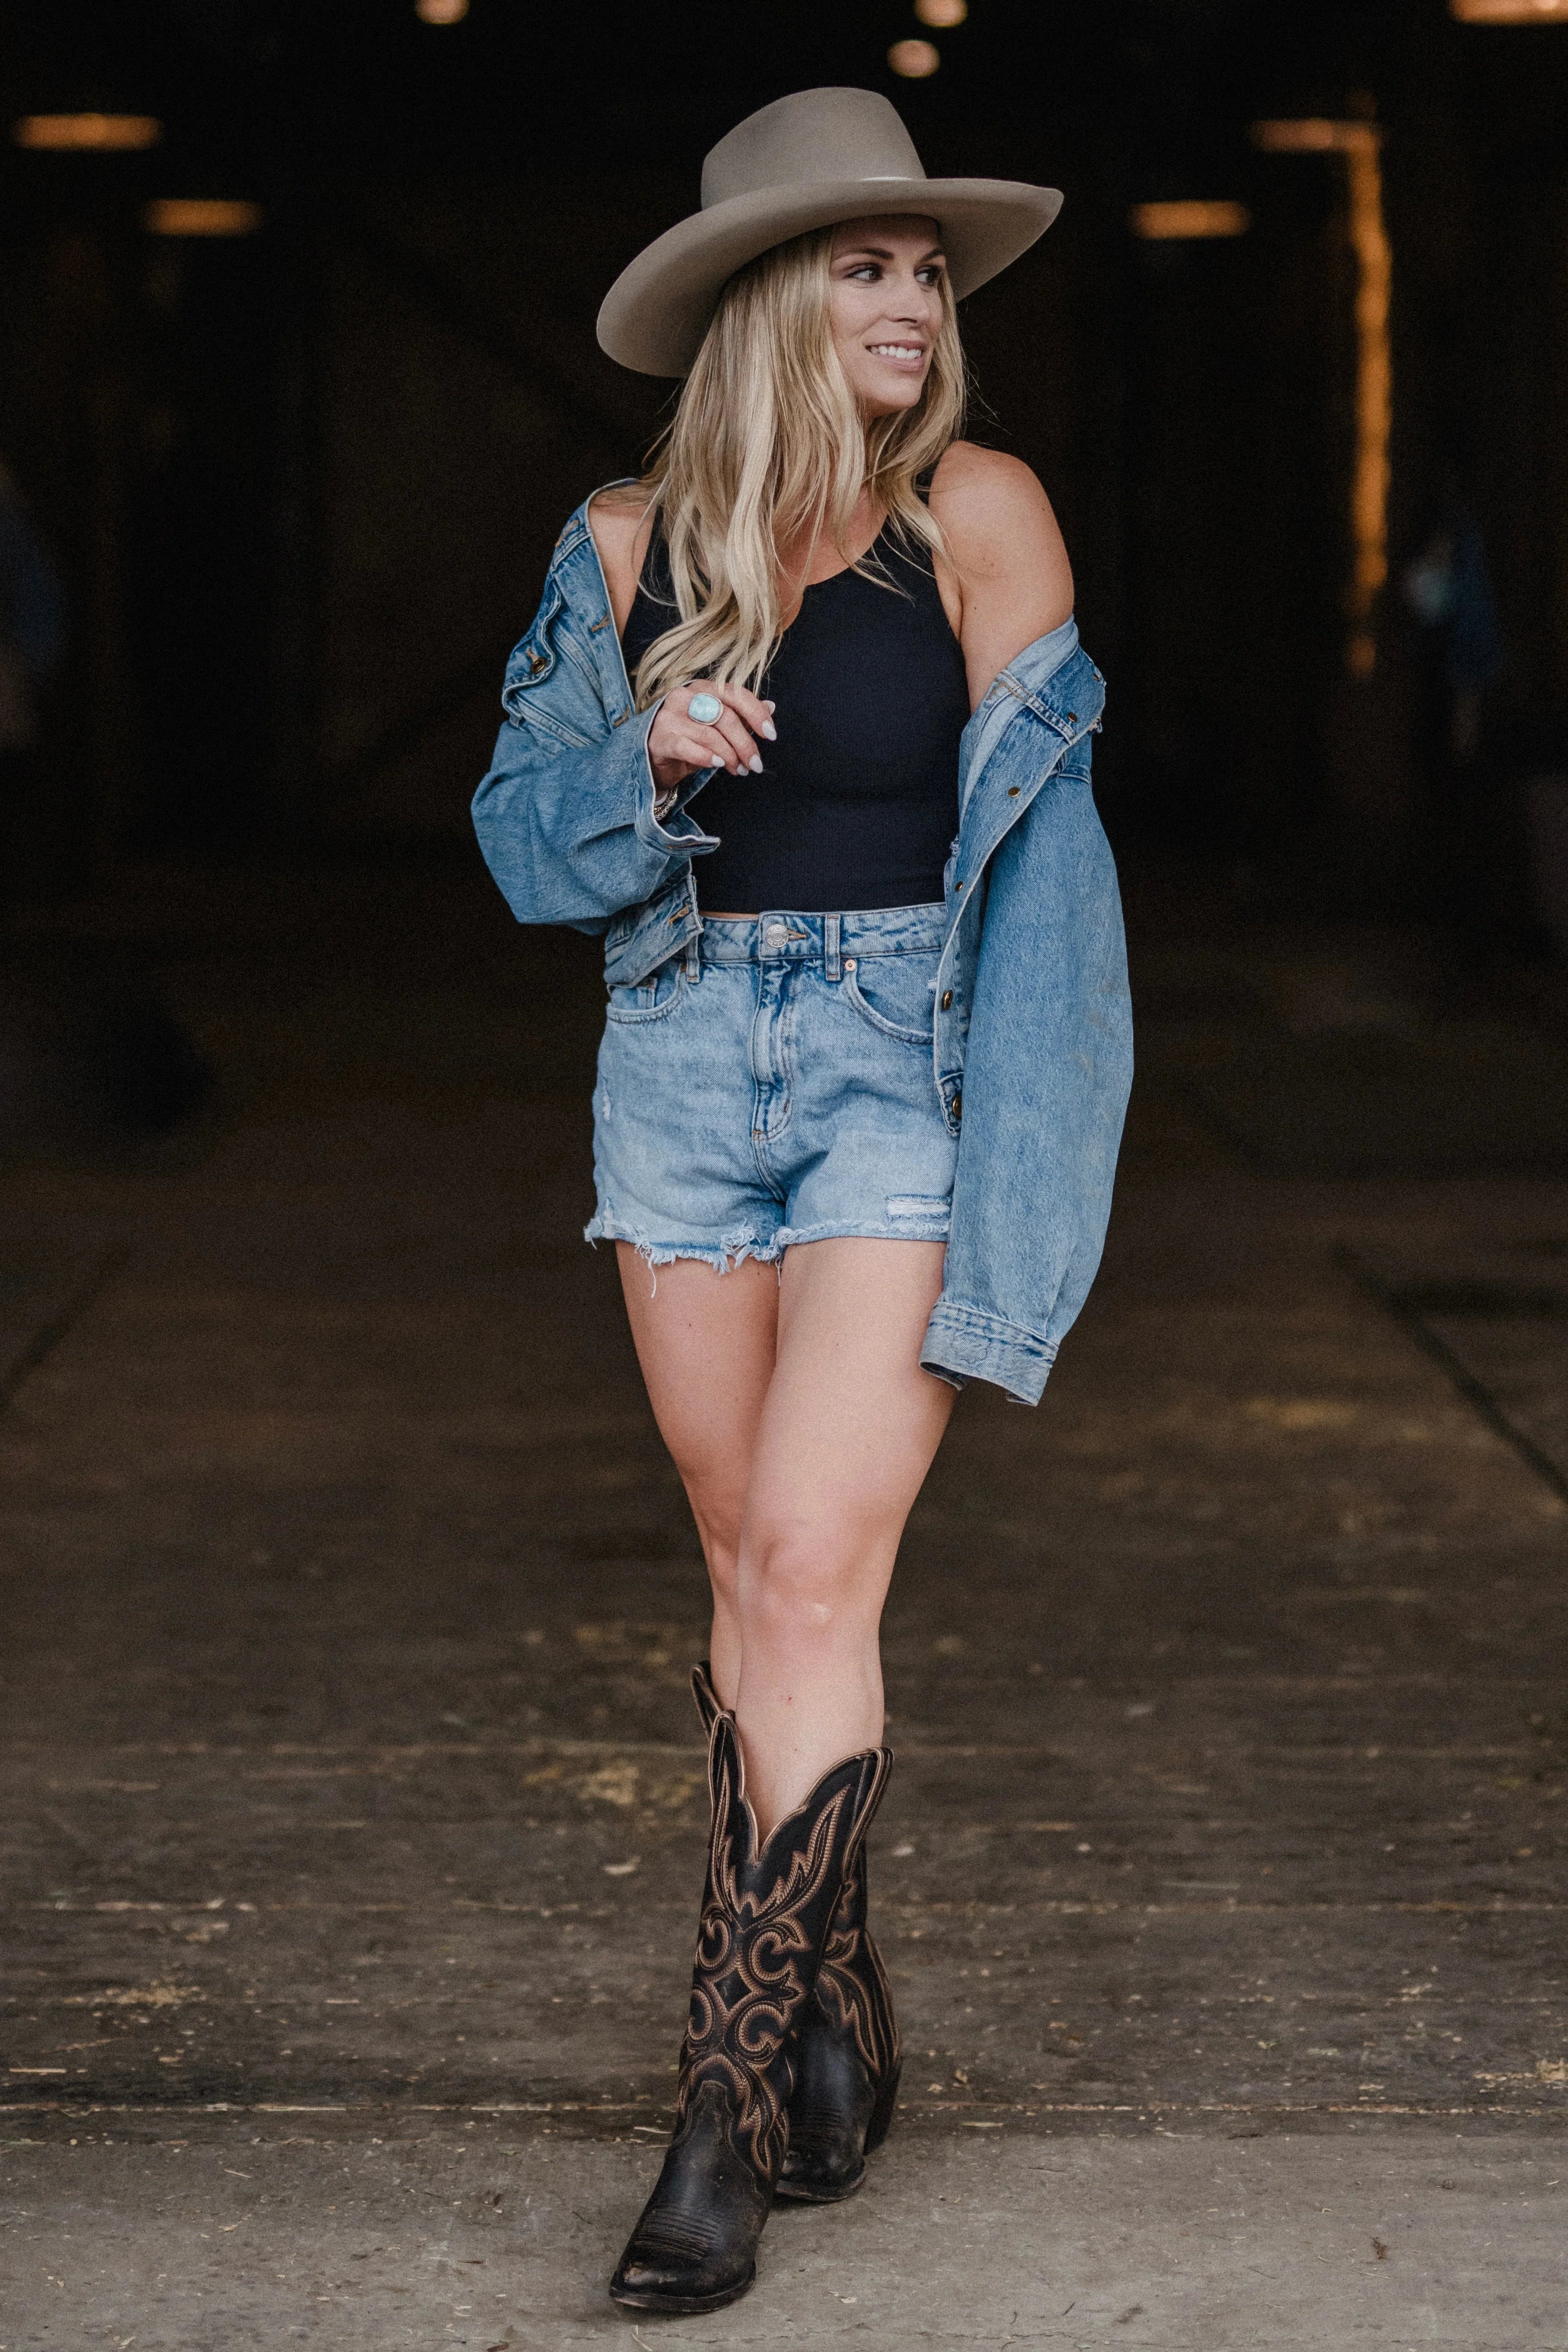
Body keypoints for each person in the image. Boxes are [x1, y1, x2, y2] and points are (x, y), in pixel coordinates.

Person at [472, 86, 1132, 2315]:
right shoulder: (619, 542)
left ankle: (719, 2112)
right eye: (863, 263)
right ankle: (833, 2002)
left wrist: (1044, 1144)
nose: (910, 300)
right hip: (676, 1068)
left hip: (896, 1066)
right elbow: (513, 843)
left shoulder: (981, 515)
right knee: (749, 1568)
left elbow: (1045, 874)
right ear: (769, 298)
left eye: (926, 269)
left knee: (806, 1551)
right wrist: (636, 762)